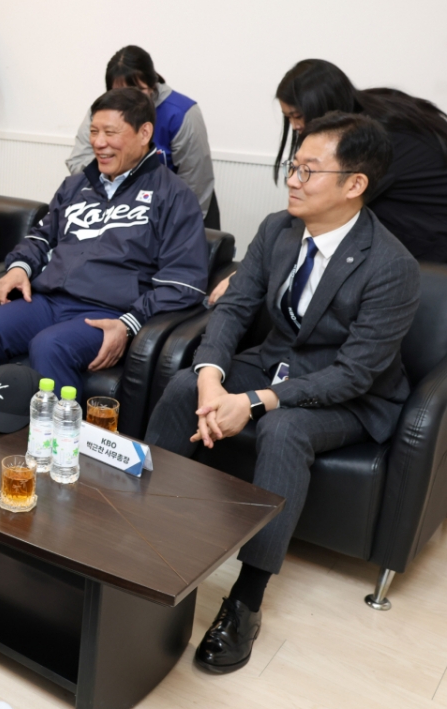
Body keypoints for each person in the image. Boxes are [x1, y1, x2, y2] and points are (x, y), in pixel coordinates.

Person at [146, 113, 419, 674]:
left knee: (284, 428)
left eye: (309, 170)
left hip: (350, 394)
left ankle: (246, 598)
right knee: (179, 387)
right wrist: (210, 378)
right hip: (277, 363)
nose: (292, 179)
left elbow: (355, 374)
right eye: (294, 166)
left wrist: (252, 403)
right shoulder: (278, 228)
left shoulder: (392, 266)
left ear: (354, 184)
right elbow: (236, 309)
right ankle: (144, 534)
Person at [0, 88, 207, 395]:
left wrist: (130, 322)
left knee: (50, 346)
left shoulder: (175, 195)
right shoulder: (76, 185)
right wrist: (19, 267)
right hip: (50, 300)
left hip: (108, 311)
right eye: (94, 132)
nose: (98, 143)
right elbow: (41, 235)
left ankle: (58, 443)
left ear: (144, 133)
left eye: (110, 132)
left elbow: (184, 283)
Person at [206, 60, 447, 302]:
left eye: (298, 116)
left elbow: (318, 209)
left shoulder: (374, 141)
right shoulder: (361, 113)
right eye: (288, 117)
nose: (295, 126)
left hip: (428, 237)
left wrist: (246, 273)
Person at [66, 46, 215, 217]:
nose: (129, 100)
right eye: (120, 92)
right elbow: (79, 161)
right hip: (117, 207)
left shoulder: (182, 113)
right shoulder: (102, 111)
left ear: (152, 84)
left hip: (169, 209)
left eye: (137, 90)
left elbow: (195, 181)